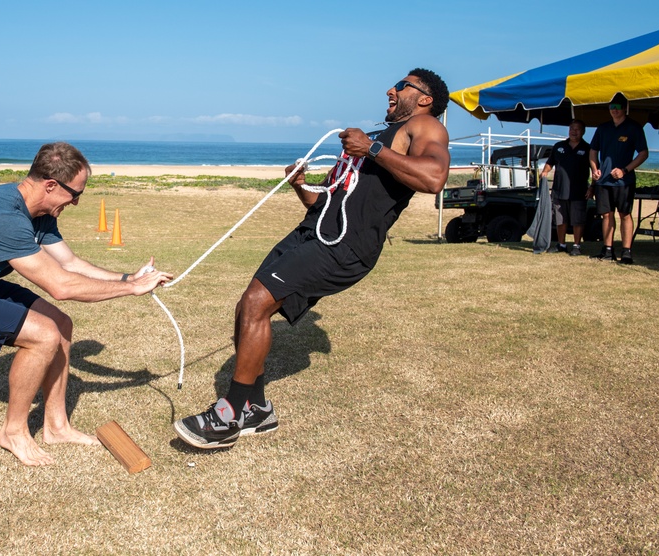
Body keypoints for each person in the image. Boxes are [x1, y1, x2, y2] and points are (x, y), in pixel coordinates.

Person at [173, 69, 451, 449]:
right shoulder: (377, 139)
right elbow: (330, 202)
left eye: (402, 85)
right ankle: (256, 409)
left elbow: (435, 178)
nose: (391, 88)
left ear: (424, 98)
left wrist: (372, 150)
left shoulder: (425, 126)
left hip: (345, 246)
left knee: (257, 302)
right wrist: (302, 187)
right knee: (247, 307)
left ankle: (229, 415)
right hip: (314, 230)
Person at [0, 142, 172, 466]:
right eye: (75, 194)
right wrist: (132, 291)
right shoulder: (3, 216)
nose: (75, 202)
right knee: (44, 335)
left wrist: (128, 278)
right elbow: (60, 285)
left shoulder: (40, 212)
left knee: (61, 325)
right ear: (50, 185)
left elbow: (70, 264)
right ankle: (13, 431)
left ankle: (57, 427)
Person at [588, 96, 649, 264]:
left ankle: (626, 252)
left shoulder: (634, 127)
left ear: (625, 109)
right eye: (611, 106)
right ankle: (608, 250)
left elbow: (643, 153)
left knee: (625, 214)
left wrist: (625, 170)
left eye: (618, 107)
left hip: (624, 182)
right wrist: (595, 170)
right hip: (603, 181)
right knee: (606, 215)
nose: (614, 110)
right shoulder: (603, 128)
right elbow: (593, 151)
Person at [539, 119, 591, 256]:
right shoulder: (558, 146)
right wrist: (545, 171)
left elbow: (596, 169)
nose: (574, 131)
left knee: (577, 220)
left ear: (583, 132)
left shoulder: (588, 148)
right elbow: (550, 163)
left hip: (579, 191)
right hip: (559, 190)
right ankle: (561, 245)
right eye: (572, 128)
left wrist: (593, 187)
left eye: (577, 129)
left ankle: (576, 246)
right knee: (560, 219)